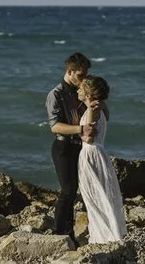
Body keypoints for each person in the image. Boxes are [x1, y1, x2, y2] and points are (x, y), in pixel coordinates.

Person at [46, 52, 95, 239]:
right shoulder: (55, 94)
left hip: (80, 147)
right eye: (81, 75)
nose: (84, 79)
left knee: (75, 191)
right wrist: (81, 129)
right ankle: (58, 232)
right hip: (63, 147)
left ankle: (69, 233)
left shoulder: (82, 92)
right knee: (68, 190)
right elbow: (55, 126)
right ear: (70, 71)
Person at [76, 75, 127, 243]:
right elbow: (107, 118)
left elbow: (88, 137)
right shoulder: (102, 109)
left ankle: (103, 237)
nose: (78, 90)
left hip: (90, 154)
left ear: (88, 94)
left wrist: (80, 134)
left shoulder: (91, 111)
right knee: (103, 193)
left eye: (81, 89)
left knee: (93, 196)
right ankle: (109, 232)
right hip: (100, 153)